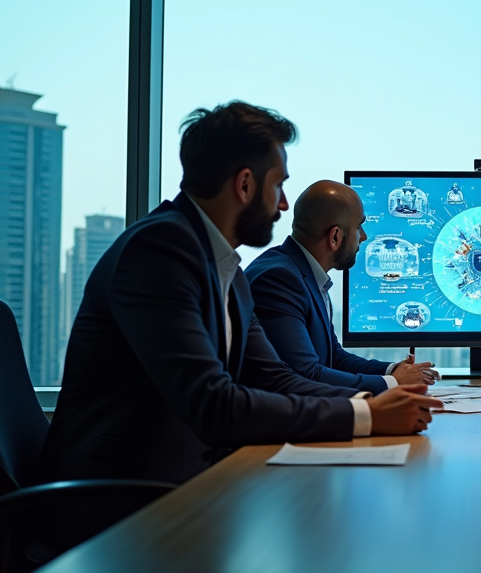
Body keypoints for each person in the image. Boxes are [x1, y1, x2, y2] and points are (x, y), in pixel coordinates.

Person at [41, 102, 441, 485]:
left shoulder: (224, 267)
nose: (284, 205)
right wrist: (367, 415)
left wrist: (372, 405)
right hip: (121, 495)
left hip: (193, 477)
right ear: (246, 184)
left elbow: (277, 379)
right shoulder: (159, 250)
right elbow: (213, 404)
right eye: (279, 185)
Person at [246, 180, 438, 394]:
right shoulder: (279, 280)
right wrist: (393, 383)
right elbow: (305, 375)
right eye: (359, 226)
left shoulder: (303, 273)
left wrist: (394, 370)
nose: (363, 237)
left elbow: (333, 357)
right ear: (335, 236)